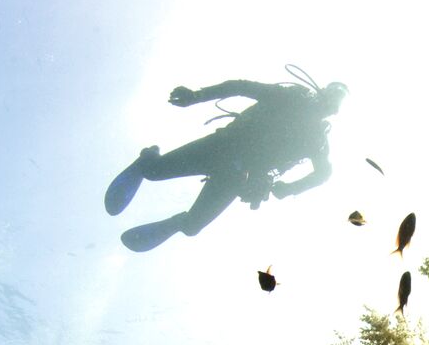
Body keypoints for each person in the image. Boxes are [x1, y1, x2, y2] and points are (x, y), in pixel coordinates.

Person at [105, 72, 347, 251]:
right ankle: (148, 159)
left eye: (340, 97)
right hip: (220, 148)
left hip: (239, 176)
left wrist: (288, 188)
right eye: (335, 92)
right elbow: (241, 86)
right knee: (154, 171)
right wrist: (196, 96)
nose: (335, 100)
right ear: (322, 91)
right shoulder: (290, 97)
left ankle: (173, 222)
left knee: (191, 226)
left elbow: (324, 173)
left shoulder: (317, 139)